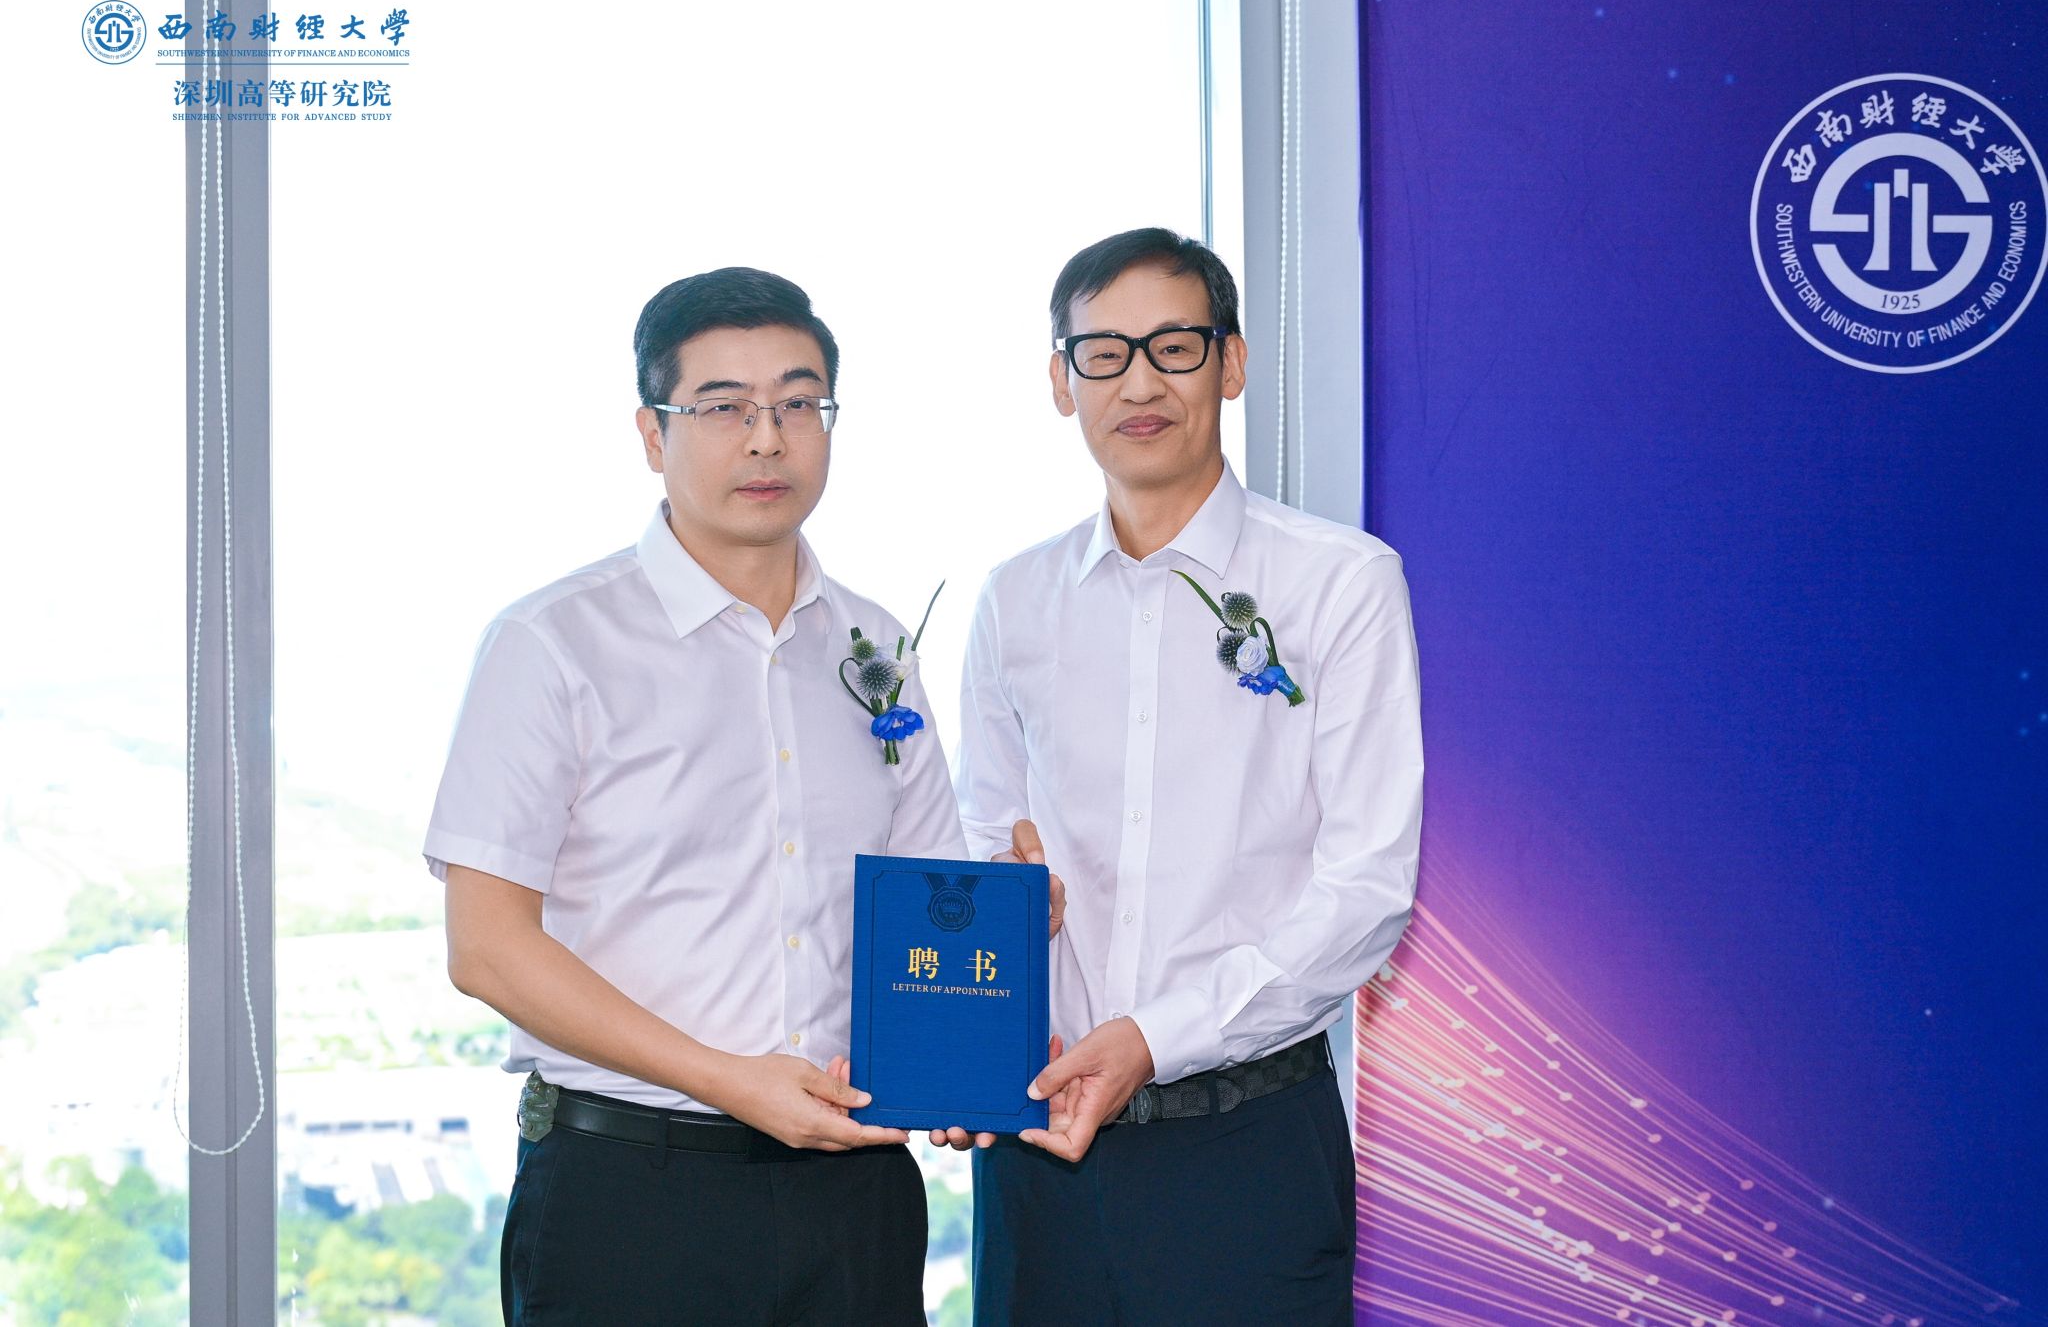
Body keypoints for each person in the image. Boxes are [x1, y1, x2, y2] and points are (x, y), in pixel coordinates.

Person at [425, 267, 966, 1326]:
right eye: (723, 407)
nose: (766, 439)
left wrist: (1006, 926)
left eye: (798, 403)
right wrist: (727, 1078)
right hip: (632, 1192)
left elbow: (923, 898)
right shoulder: (553, 643)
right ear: (650, 432)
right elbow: (485, 948)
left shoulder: (877, 648)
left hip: (853, 1193)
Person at [954, 227, 1424, 1324]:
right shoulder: (1013, 600)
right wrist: (981, 987)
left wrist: (1155, 1038)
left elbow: (1365, 892)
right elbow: (982, 842)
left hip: (1247, 1149)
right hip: (1039, 1149)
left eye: (1173, 346)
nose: (1139, 383)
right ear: (1061, 382)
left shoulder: (1339, 585)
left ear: (1231, 362)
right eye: (1103, 353)